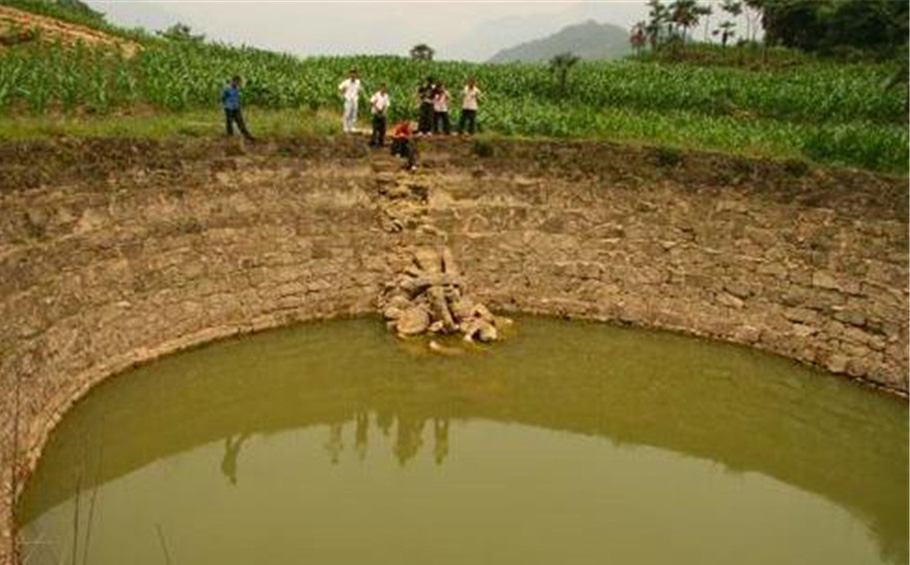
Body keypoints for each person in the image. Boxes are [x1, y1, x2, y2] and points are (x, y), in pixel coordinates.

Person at [221, 75, 255, 141]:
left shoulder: (237, 88)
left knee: (240, 122)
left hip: (236, 107)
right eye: (237, 82)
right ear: (233, 81)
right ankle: (230, 137)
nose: (238, 84)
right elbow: (223, 98)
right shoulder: (227, 89)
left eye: (238, 82)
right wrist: (225, 105)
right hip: (229, 107)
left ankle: (246, 136)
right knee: (229, 123)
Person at [338, 68, 362, 133]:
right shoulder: (346, 82)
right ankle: (345, 127)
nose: (353, 75)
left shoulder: (358, 82)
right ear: (350, 74)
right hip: (348, 99)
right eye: (352, 73)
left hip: (355, 99)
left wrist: (357, 95)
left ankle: (352, 127)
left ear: (356, 74)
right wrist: (342, 95)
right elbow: (340, 88)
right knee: (347, 113)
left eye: (354, 73)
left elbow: (360, 90)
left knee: (354, 114)